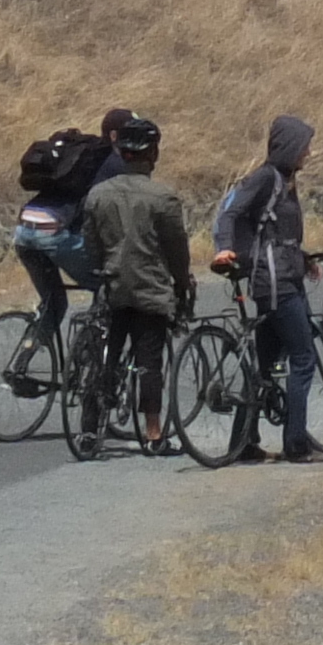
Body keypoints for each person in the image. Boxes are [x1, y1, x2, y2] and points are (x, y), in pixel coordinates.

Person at [208, 112, 323, 462]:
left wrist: (304, 260)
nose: (309, 153)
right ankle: (296, 445)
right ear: (291, 147)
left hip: (284, 276)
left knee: (263, 367)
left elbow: (276, 236)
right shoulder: (265, 178)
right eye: (305, 146)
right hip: (275, 284)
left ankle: (243, 444)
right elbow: (229, 213)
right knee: (303, 359)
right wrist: (224, 248)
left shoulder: (285, 181)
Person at [75, 109, 192, 452]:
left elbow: (90, 242)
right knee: (149, 361)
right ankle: (154, 433)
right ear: (152, 154)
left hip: (111, 284)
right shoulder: (164, 198)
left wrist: (102, 270)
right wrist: (182, 284)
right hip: (149, 287)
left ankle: (89, 429)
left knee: (106, 356)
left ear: (123, 154)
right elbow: (176, 250)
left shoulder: (99, 194)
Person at [8, 107, 133, 389]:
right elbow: (104, 212)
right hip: (55, 233)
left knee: (53, 303)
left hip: (25, 228)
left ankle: (21, 364)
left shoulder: (81, 158)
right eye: (129, 134)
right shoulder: (113, 164)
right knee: (107, 287)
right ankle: (88, 352)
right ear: (115, 135)